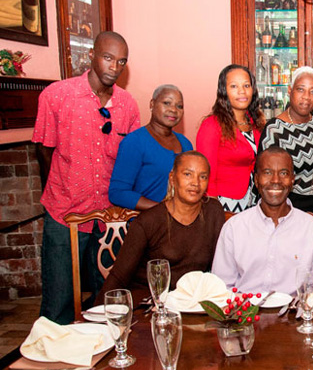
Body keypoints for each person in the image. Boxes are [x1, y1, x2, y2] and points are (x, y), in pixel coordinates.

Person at [32, 31, 140, 324]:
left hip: (109, 216)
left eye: (121, 61)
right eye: (107, 58)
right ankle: (55, 362)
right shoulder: (56, 95)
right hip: (65, 213)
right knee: (59, 301)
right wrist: (54, 199)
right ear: (91, 55)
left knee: (107, 300)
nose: (114, 67)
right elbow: (43, 151)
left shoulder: (127, 105)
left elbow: (131, 161)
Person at [96, 151, 225, 305]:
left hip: (191, 305)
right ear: (172, 178)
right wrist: (95, 319)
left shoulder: (213, 211)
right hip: (148, 305)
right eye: (187, 174)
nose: (196, 183)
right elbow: (119, 277)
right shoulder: (148, 222)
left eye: (202, 176)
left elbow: (220, 267)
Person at [211, 147, 313, 295]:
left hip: (294, 314)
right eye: (267, 172)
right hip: (244, 313)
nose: (275, 180)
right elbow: (221, 287)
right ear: (256, 179)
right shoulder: (234, 228)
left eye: (283, 173)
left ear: (293, 180)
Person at [258, 67, 313, 235]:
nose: (306, 97)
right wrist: (293, 213)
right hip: (297, 217)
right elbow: (266, 181)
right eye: (300, 89)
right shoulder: (275, 129)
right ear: (290, 91)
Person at [109, 84, 193, 210]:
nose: (173, 110)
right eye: (167, 103)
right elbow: (118, 193)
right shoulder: (134, 142)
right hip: (146, 223)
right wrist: (162, 210)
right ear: (152, 104)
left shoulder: (185, 144)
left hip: (180, 222)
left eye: (179, 106)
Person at [196, 64, 265, 213]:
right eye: (234, 86)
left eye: (246, 85)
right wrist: (212, 210)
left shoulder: (255, 124)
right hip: (223, 203)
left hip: (252, 201)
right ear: (224, 91)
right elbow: (206, 173)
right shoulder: (212, 125)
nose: (242, 91)